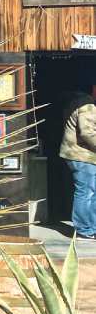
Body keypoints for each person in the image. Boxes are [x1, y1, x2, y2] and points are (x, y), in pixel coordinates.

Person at [59, 90, 96, 240]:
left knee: (90, 192)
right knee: (86, 192)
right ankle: (84, 230)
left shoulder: (77, 101)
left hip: (80, 155)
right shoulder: (87, 105)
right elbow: (88, 133)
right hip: (82, 155)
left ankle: (90, 228)